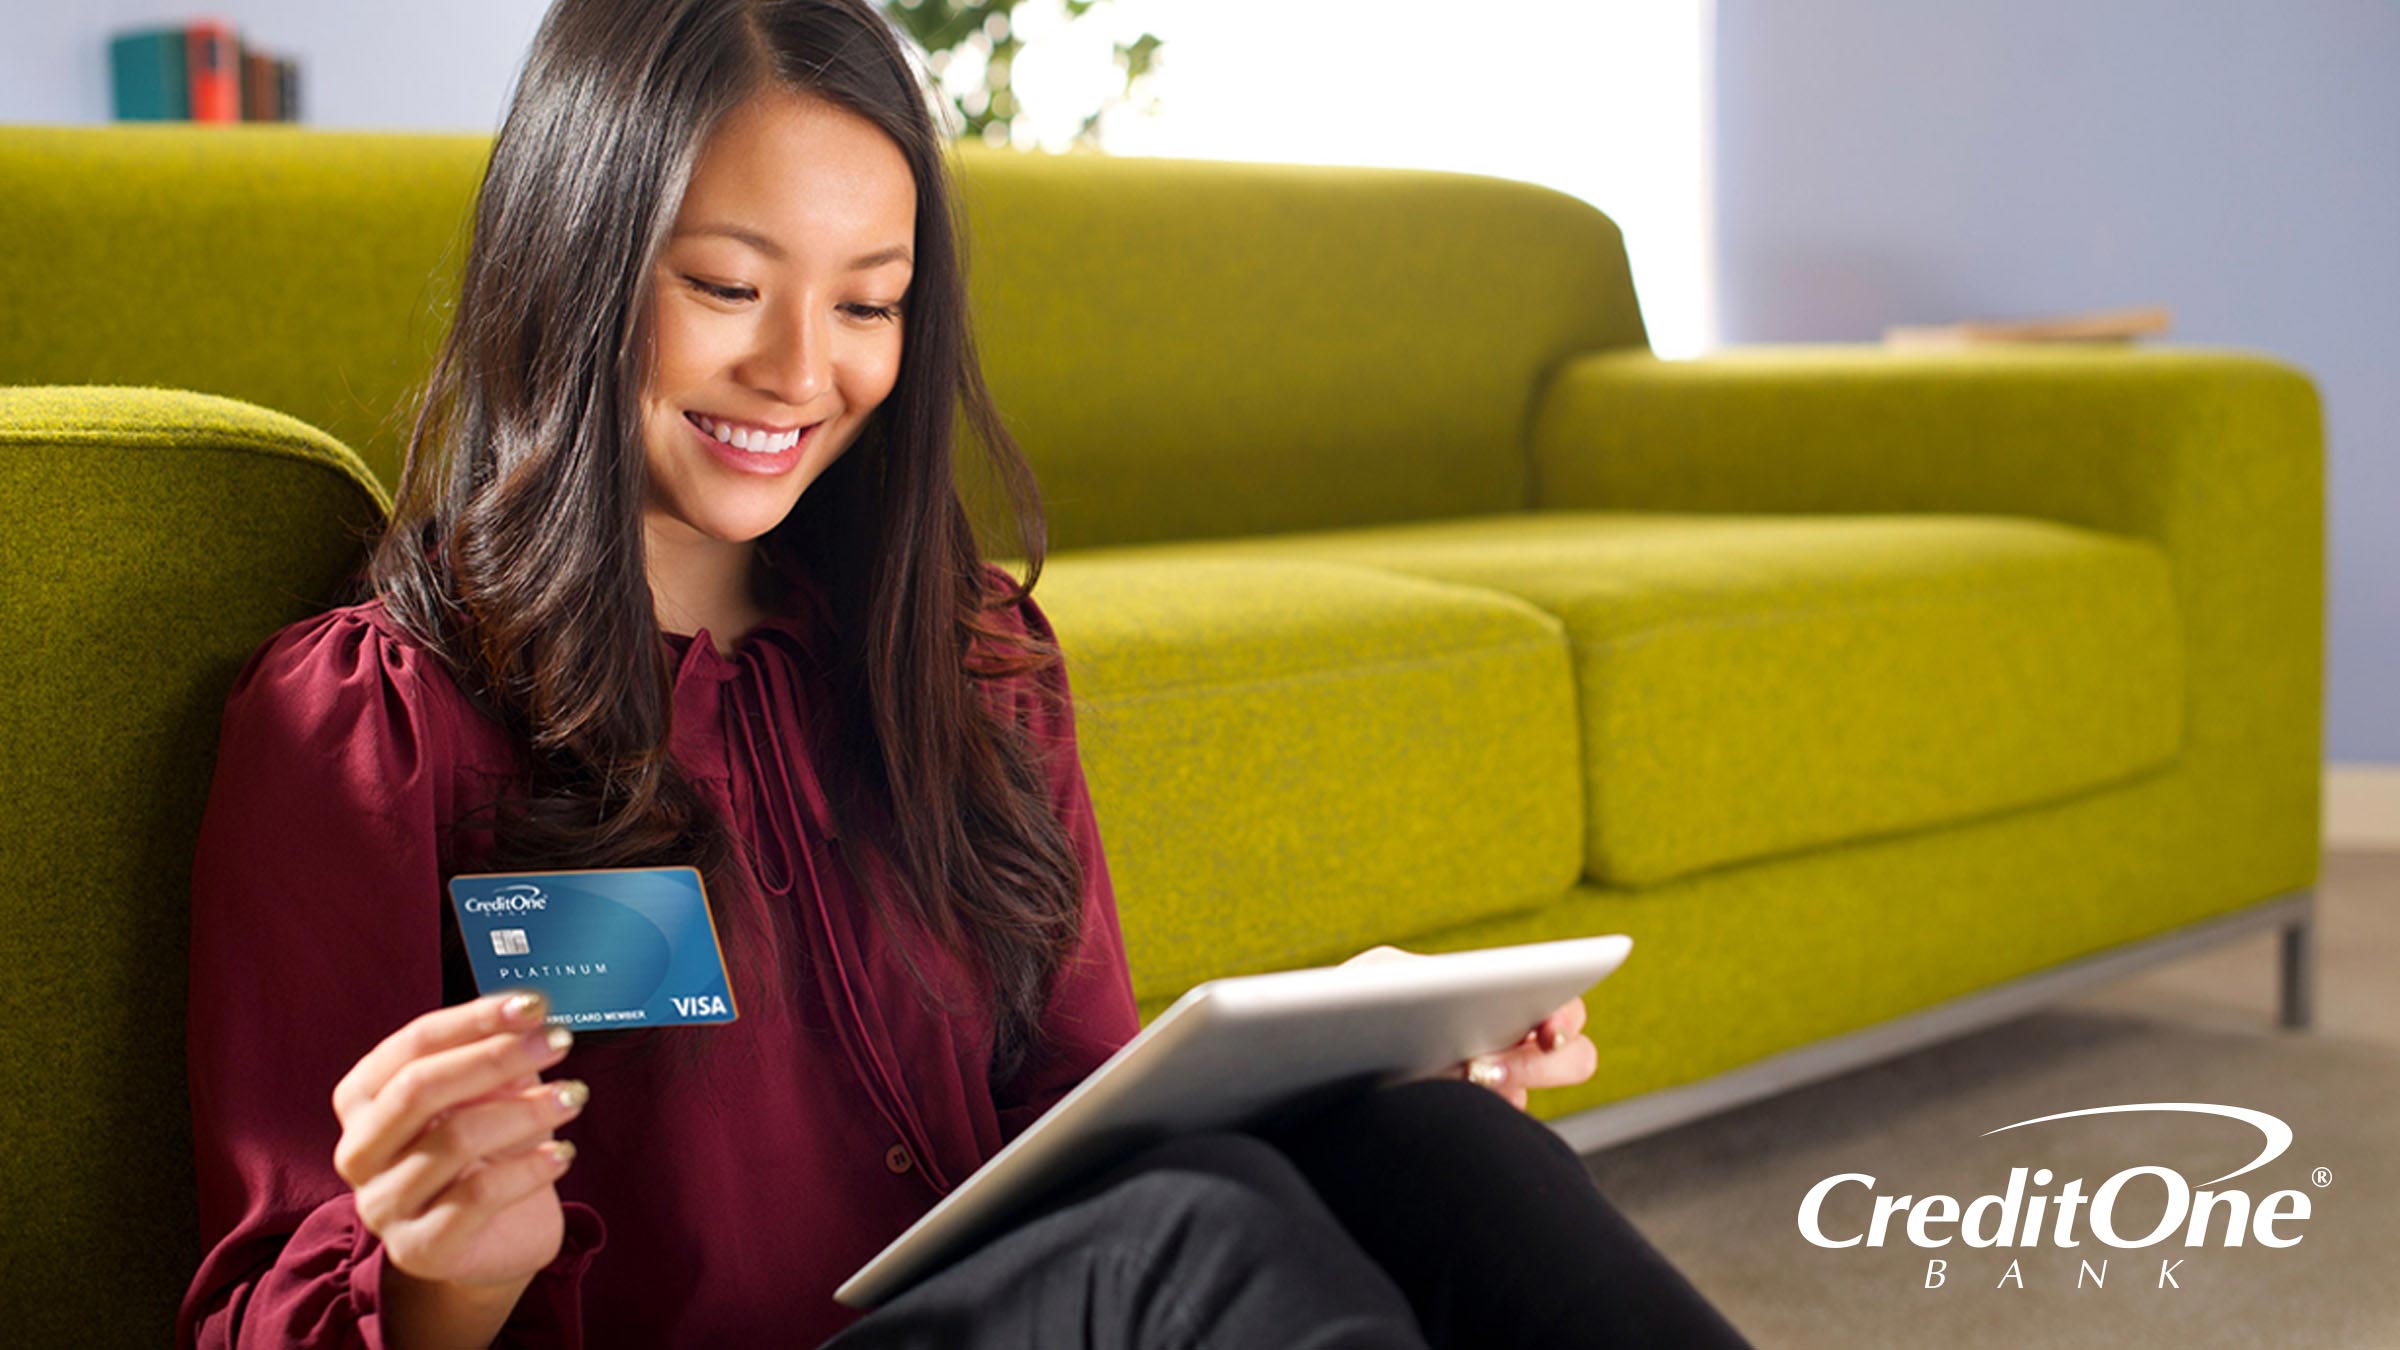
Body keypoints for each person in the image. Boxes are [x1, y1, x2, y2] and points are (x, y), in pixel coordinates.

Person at [176, 1, 1755, 1346]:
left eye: (868, 302)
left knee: (1430, 1141)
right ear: (572, 265)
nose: (803, 371)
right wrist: (445, 1271)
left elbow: (1083, 1118)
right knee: (1192, 1239)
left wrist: (1345, 1062)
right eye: (725, 287)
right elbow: (261, 1299)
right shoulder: (375, 724)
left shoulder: (966, 660)